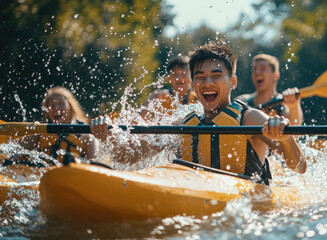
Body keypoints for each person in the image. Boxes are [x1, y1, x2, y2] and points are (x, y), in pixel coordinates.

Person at [90, 41, 306, 185]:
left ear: (232, 82)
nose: (207, 82)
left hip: (245, 206)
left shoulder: (251, 118)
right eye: (200, 77)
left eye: (216, 75)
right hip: (195, 195)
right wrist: (107, 135)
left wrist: (286, 139)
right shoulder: (182, 123)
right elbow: (128, 157)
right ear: (193, 84)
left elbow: (299, 167)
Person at [10, 87, 97, 166]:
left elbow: (95, 164)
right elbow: (17, 158)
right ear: (47, 111)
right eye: (52, 105)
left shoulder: (87, 135)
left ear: (70, 108)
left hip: (74, 177)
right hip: (44, 178)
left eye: (61, 104)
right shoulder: (37, 134)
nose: (56, 108)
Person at [236, 54, 303, 126]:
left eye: (263, 69)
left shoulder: (284, 106)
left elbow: (295, 134)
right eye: (254, 69)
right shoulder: (242, 101)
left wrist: (294, 106)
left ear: (275, 75)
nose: (257, 72)